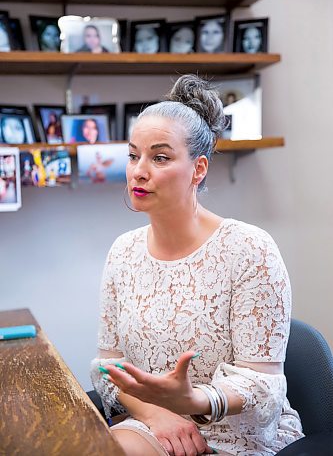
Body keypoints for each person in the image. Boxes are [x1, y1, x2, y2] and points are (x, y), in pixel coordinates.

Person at [90, 74, 304, 455]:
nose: (139, 170)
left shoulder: (249, 250)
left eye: (159, 157)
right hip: (155, 425)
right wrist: (156, 413)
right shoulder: (122, 252)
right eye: (133, 154)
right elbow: (107, 368)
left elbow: (265, 387)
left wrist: (194, 401)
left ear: (199, 168)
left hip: (236, 436)